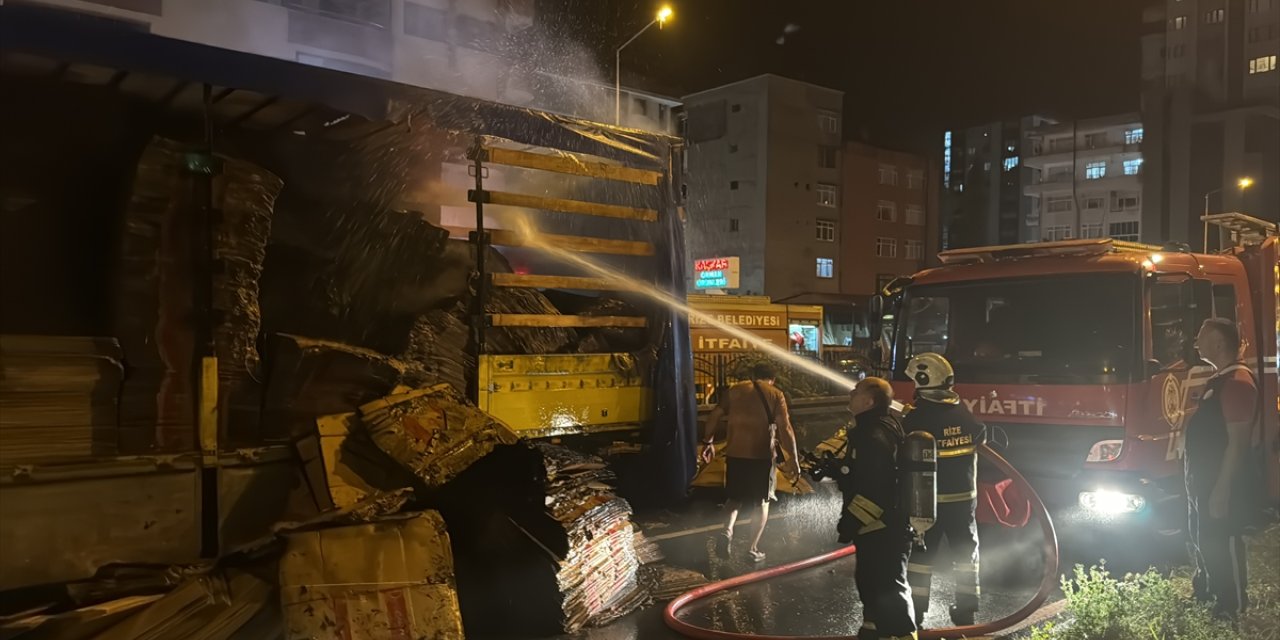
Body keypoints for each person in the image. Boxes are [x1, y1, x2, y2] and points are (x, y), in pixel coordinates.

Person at [902, 352, 986, 627]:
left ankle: (917, 610)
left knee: (921, 557)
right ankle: (966, 609)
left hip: (928, 502)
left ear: (923, 380)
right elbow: (978, 435)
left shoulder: (917, 418)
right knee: (965, 553)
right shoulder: (963, 410)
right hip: (963, 500)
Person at [1185, 318, 1260, 622]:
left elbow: (1239, 442)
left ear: (1218, 343)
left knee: (1223, 540)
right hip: (1202, 477)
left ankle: (1232, 605)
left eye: (1200, 337)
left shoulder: (1238, 383)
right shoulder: (1219, 380)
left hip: (1219, 479)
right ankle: (1209, 592)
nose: (1195, 342)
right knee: (1204, 537)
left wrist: (1222, 487)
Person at [838, 377, 917, 640]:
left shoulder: (871, 435)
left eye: (857, 391)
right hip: (883, 525)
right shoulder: (883, 426)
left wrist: (850, 521)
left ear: (869, 401)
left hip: (882, 526)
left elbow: (875, 487)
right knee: (871, 584)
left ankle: (903, 635)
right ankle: (872, 631)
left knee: (888, 589)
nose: (851, 393)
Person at [700, 363, 801, 563]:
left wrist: (707, 442)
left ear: (753, 375)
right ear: (772, 378)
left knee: (734, 499)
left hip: (735, 454)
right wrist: (794, 459)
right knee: (761, 503)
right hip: (761, 457)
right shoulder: (775, 394)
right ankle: (752, 548)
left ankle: (727, 532)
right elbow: (785, 428)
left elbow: (715, 414)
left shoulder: (735, 391)